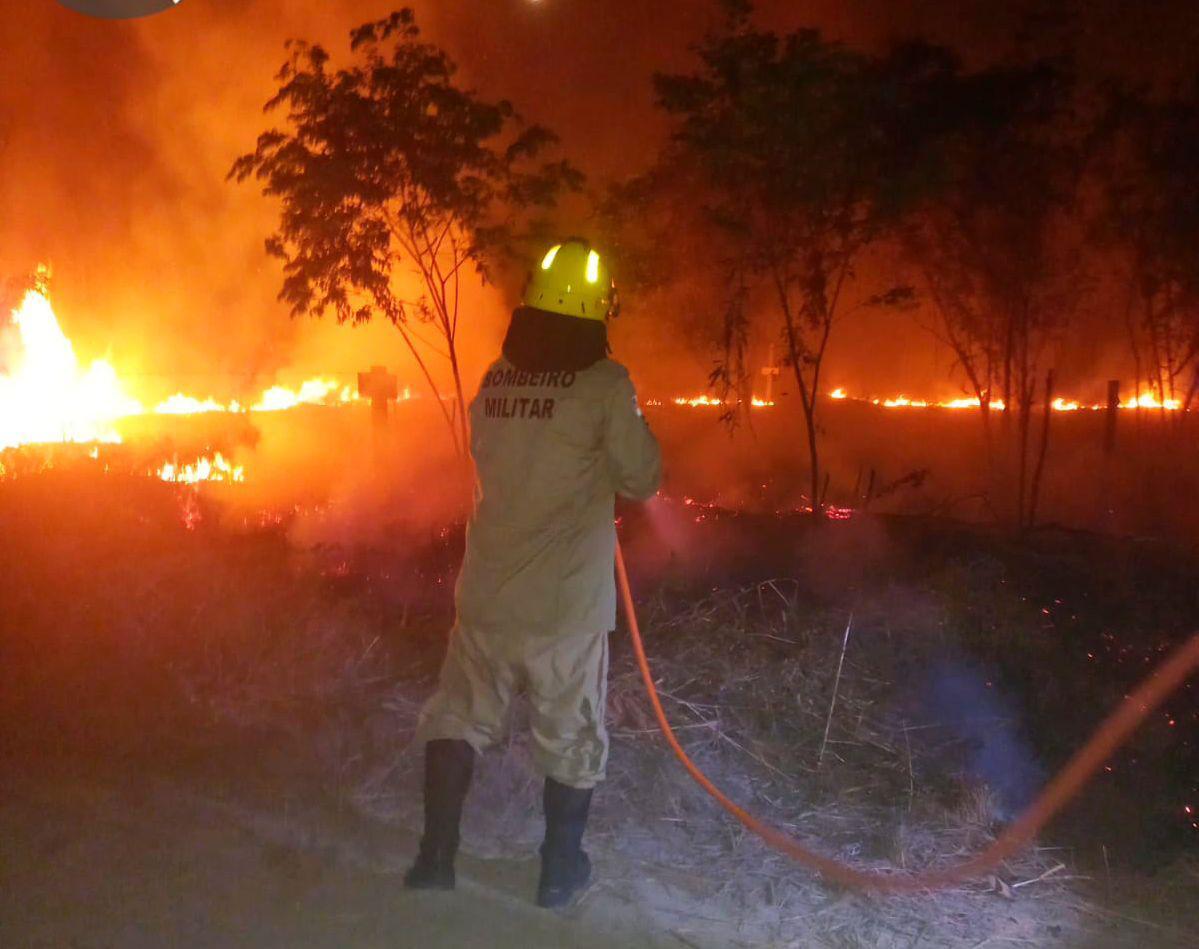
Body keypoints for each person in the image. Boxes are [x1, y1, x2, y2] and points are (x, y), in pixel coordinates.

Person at [405, 238, 662, 908]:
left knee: (457, 717)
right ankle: (556, 873)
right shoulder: (605, 385)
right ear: (597, 306)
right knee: (571, 738)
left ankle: (434, 859)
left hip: (486, 599)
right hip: (563, 613)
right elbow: (642, 475)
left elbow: (491, 458)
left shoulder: (497, 378)